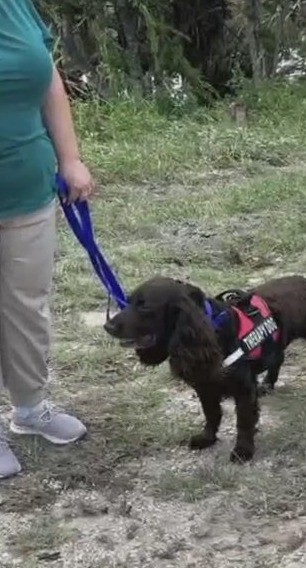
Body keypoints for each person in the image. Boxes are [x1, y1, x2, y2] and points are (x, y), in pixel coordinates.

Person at [1, 0, 95, 479]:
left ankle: (30, 408)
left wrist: (70, 158)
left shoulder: (16, 7)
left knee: (27, 304)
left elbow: (48, 80)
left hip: (28, 190)